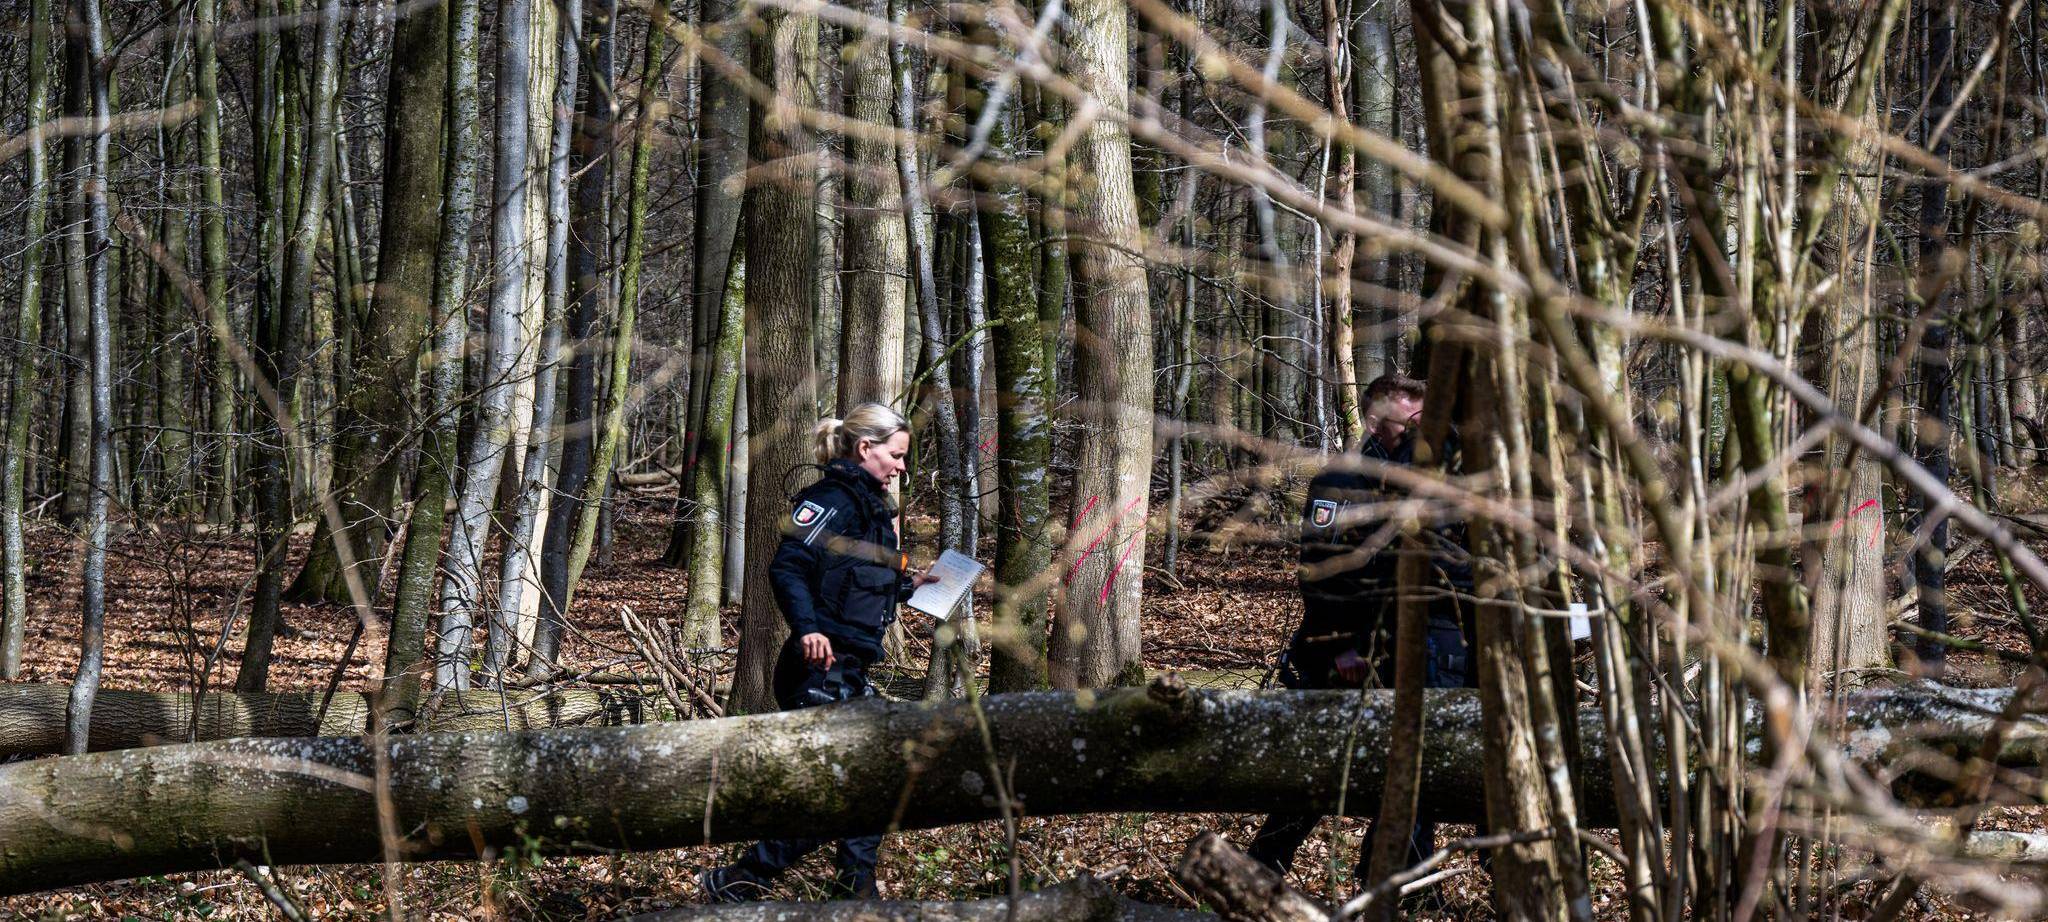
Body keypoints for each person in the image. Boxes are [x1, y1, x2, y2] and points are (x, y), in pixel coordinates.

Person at [699, 402, 935, 902]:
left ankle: (854, 888)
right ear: (865, 448)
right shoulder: (831, 499)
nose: (901, 467)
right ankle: (741, 879)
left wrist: (907, 586)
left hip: (851, 670)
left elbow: (853, 586)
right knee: (839, 794)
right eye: (895, 455)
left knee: (875, 778)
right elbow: (787, 566)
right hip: (817, 669)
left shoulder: (873, 512)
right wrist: (808, 629)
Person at [1247, 373, 1476, 878]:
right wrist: (1341, 646)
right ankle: (1267, 861)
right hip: (1351, 648)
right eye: (1409, 413)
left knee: (1420, 761)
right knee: (1332, 761)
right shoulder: (1342, 480)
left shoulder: (1440, 474)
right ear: (1378, 417)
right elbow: (1323, 573)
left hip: (1426, 644)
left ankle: (1395, 876)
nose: (1421, 422)